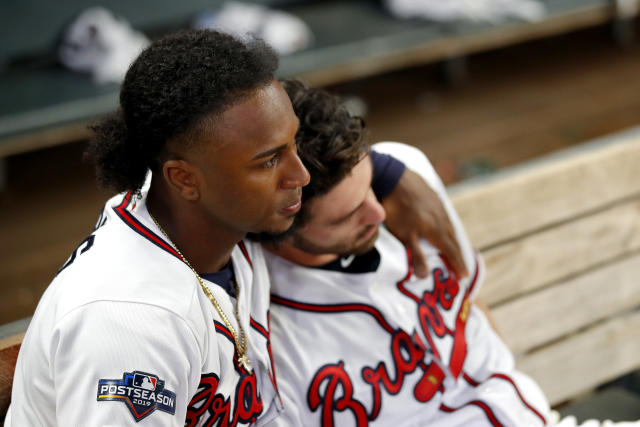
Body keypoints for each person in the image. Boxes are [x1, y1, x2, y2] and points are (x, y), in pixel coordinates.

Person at [5, 30, 464, 426]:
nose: (300, 174)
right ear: (184, 179)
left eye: (292, 144)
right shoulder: (129, 324)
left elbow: (266, 128)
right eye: (269, 161)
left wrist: (385, 170)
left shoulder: (211, 214)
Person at [259, 80, 640, 427]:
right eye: (348, 215)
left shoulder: (404, 180)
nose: (377, 211)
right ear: (276, 226)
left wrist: (387, 170)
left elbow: (471, 305)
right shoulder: (260, 315)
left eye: (372, 185)